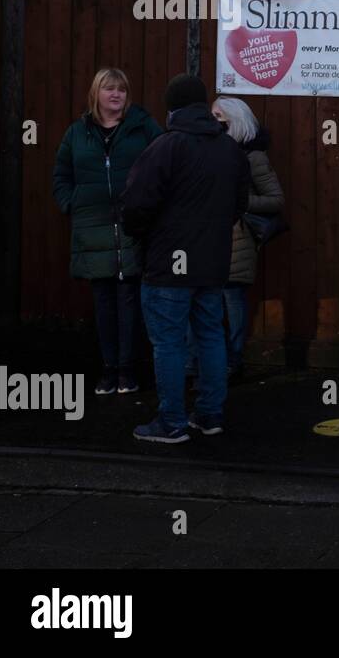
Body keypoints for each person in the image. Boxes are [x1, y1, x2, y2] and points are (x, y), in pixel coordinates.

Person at [122, 74, 250, 444]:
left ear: (173, 108)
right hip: (212, 261)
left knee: (169, 342)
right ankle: (209, 415)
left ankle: (171, 421)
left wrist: (145, 236)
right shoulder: (230, 151)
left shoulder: (167, 146)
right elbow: (237, 207)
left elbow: (137, 205)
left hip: (167, 264)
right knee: (211, 336)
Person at [52, 68, 163, 396]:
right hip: (94, 230)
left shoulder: (144, 127)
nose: (116, 95)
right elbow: (61, 174)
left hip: (133, 229)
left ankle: (127, 371)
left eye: (122, 90)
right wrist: (71, 203)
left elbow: (164, 165)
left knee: (129, 300)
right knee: (103, 301)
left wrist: (150, 206)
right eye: (109, 89)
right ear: (96, 94)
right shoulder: (77, 133)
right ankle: (109, 369)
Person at [198, 96, 284, 382]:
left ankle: (233, 362)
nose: (213, 121)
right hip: (209, 239)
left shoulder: (253, 157)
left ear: (235, 120)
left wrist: (240, 201)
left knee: (232, 304)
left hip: (238, 240)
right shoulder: (208, 151)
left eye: (219, 115)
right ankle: (212, 362)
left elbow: (275, 199)